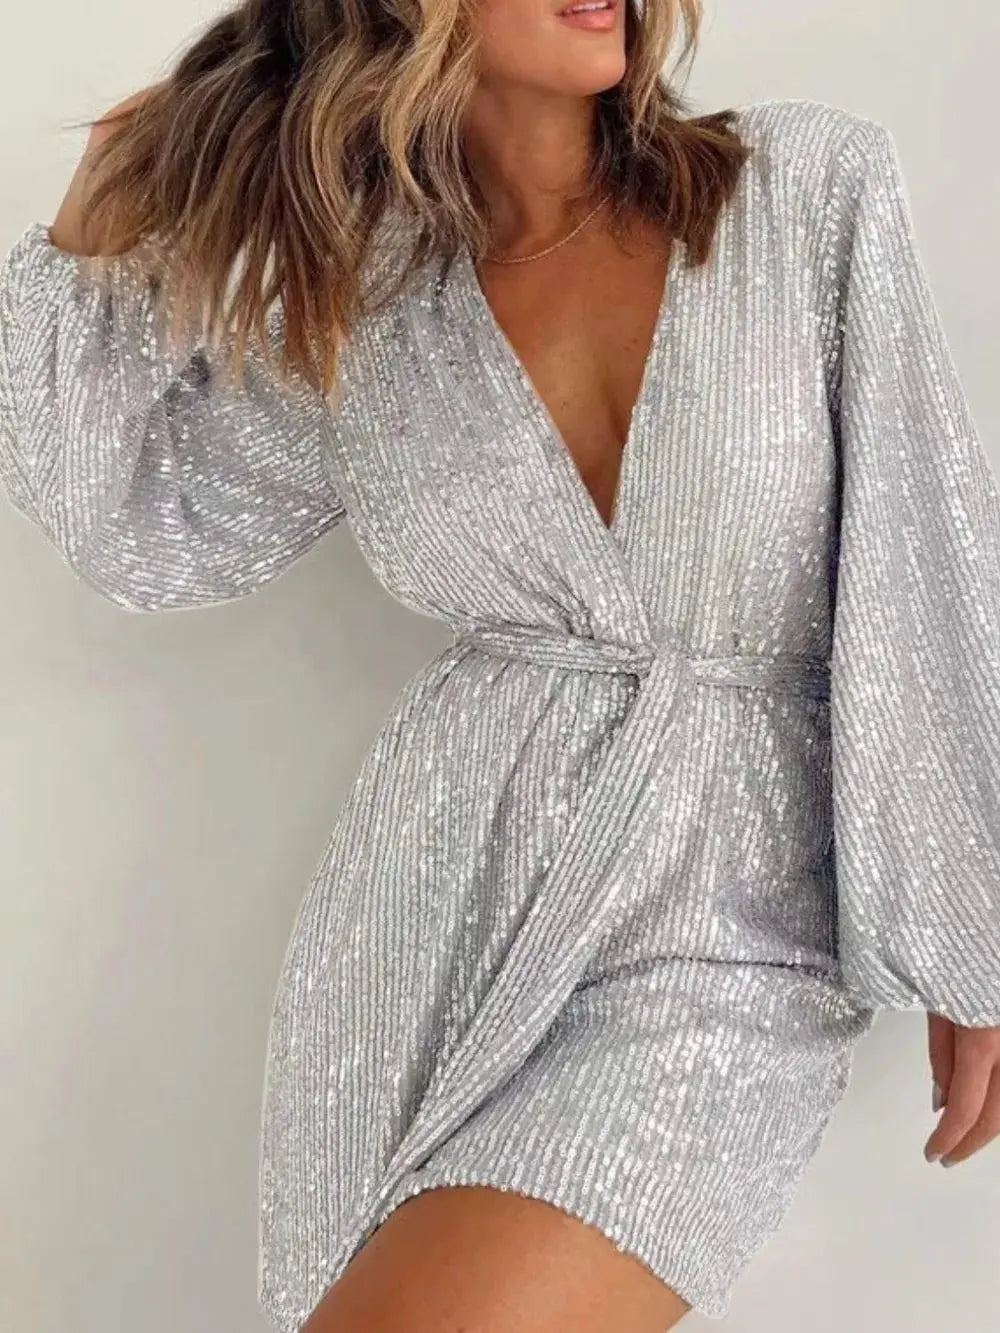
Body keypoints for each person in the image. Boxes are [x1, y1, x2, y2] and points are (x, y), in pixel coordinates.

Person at [1, 2, 999, 1330]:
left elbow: (924, 540)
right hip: (438, 923)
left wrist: (974, 917)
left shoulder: (805, 189)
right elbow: (136, 524)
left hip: (736, 930)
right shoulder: (367, 307)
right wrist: (90, 227)